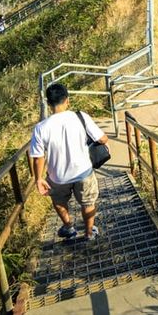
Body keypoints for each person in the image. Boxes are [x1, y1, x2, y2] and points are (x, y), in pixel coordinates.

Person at [30, 83, 109, 241]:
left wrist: (38, 179)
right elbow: (102, 138)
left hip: (57, 175)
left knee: (59, 201)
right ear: (67, 100)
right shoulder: (80, 117)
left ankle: (69, 227)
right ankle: (89, 233)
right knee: (87, 202)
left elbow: (38, 157)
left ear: (48, 103)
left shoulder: (40, 128)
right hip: (83, 171)